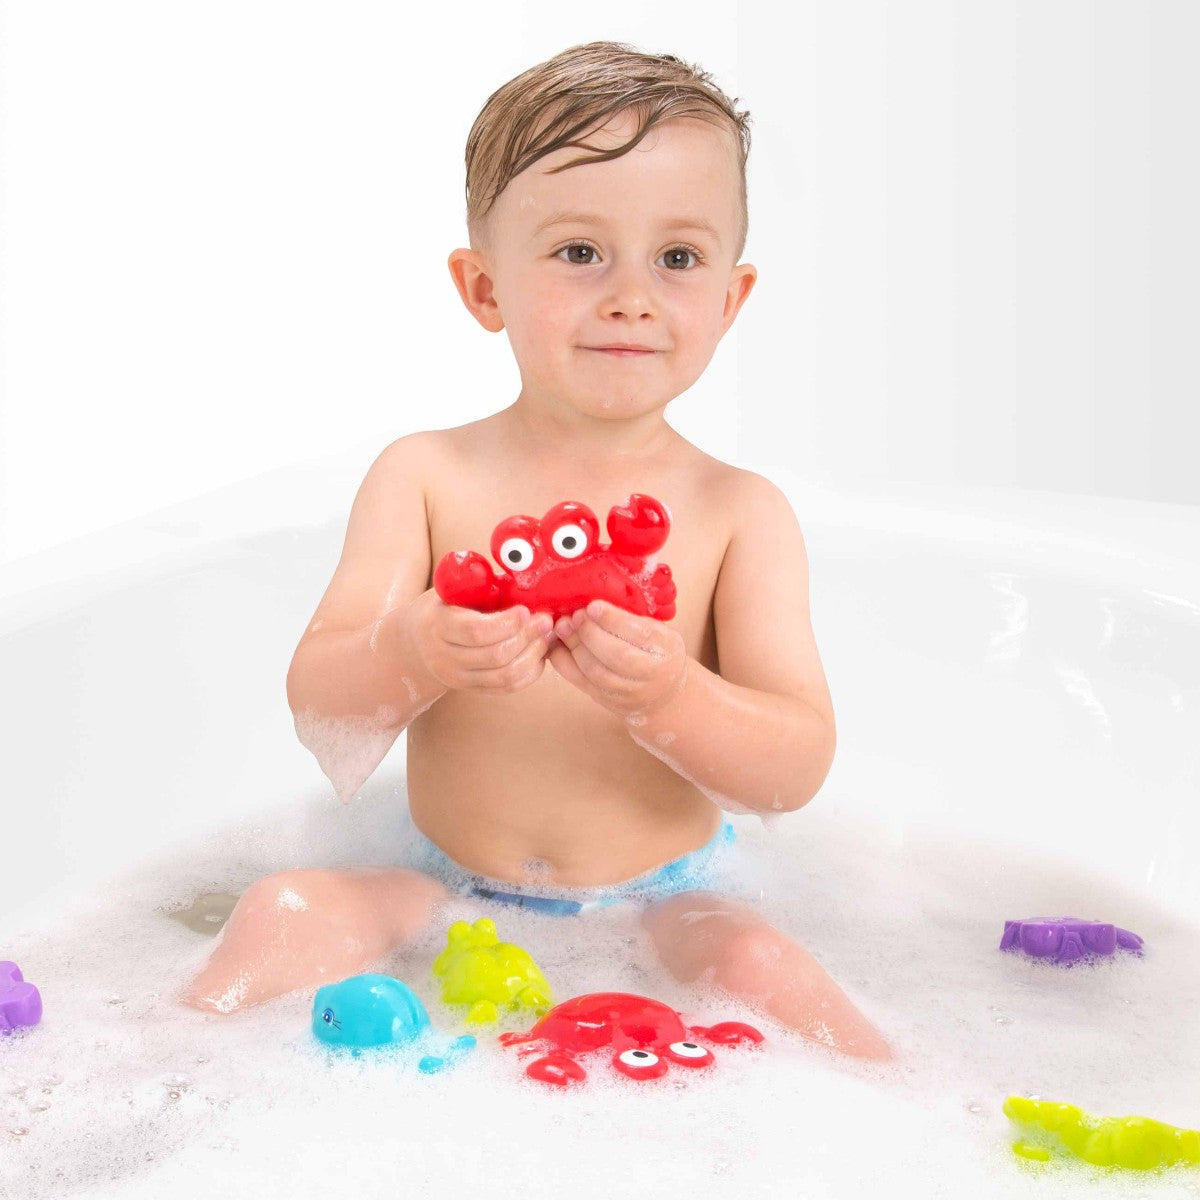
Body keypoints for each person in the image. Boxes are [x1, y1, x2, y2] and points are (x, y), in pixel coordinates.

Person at [182, 40, 893, 1061]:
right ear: (484, 289)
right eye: (579, 252)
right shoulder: (426, 477)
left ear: (730, 301)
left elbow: (793, 768)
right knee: (283, 914)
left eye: (677, 259)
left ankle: (921, 1113)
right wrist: (417, 647)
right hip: (442, 885)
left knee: (764, 971)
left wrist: (671, 696)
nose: (631, 295)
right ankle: (147, 1089)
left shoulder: (741, 513)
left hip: (664, 903)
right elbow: (319, 702)